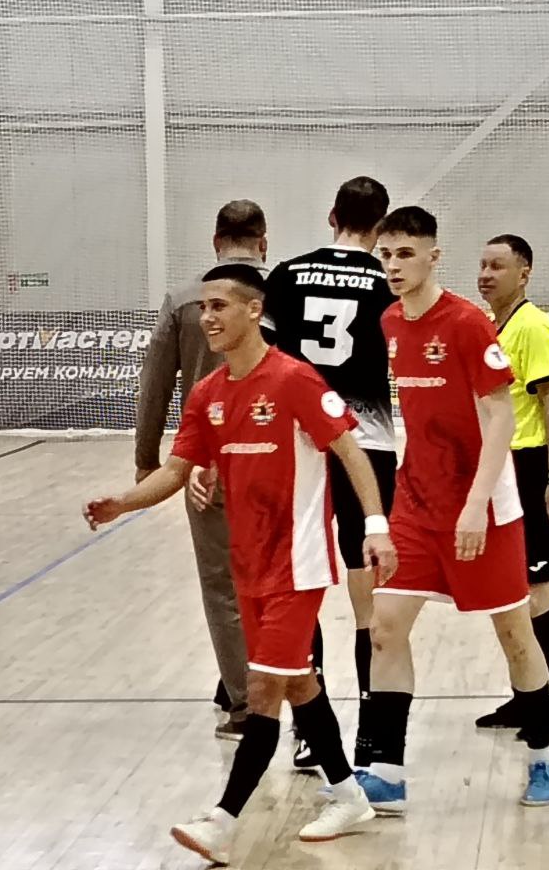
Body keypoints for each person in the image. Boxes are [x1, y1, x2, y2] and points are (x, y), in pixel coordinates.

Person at [84, 263, 397, 865]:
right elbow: (177, 472)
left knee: (261, 691)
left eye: (219, 306)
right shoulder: (208, 394)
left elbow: (350, 451)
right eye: (203, 307)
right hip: (247, 567)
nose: (207, 317)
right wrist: (123, 502)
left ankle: (222, 822)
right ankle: (349, 796)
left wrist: (377, 526)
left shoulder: (295, 380)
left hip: (297, 565)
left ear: (254, 311)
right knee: (299, 683)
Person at [360, 206, 549, 812]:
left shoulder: (468, 323)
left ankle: (542, 755)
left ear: (433, 256)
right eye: (386, 254)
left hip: (484, 504)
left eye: (405, 254)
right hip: (416, 504)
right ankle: (387, 772)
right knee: (385, 627)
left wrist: (475, 505)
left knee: (514, 632)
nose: (394, 265)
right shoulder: (390, 321)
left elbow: (501, 415)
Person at [263, 175, 395, 770]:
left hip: (301, 447)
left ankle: (308, 731)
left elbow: (263, 360)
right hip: (368, 444)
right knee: (370, 598)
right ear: (381, 226)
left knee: (301, 587)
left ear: (331, 216)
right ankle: (372, 729)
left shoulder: (287, 274)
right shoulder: (388, 281)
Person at [136, 199, 271, 738]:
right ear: (263, 242)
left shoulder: (184, 299)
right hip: (277, 461)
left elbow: (155, 385)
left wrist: (146, 459)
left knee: (222, 585)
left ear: (216, 242)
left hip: (207, 463)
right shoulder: (282, 292)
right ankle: (280, 686)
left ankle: (244, 704)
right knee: (278, 581)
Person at [475, 234, 549, 739]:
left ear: (524, 273)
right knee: (510, 590)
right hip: (500, 469)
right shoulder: (490, 327)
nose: (485, 274)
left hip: (530, 466)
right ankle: (529, 697)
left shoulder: (534, 327)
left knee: (539, 589)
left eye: (497, 266)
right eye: (482, 265)